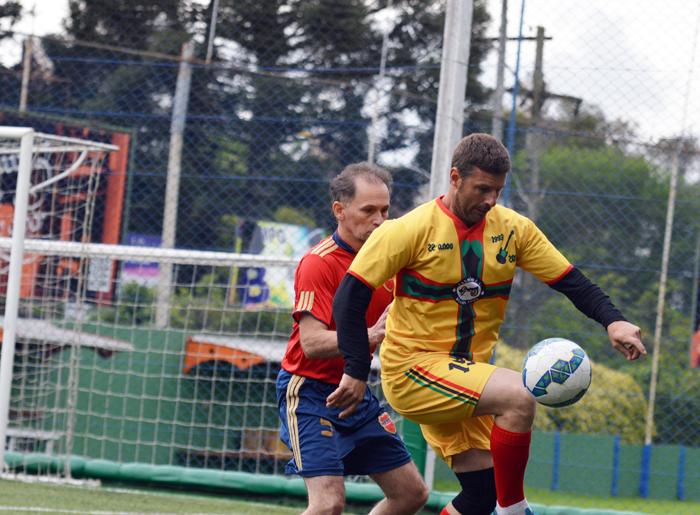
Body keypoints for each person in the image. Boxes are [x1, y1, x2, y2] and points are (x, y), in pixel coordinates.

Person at [327, 134, 646, 515]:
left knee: (480, 498)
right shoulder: (407, 230)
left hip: (467, 376)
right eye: (482, 188)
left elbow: (570, 280)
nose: (490, 199)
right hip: (414, 370)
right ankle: (515, 511)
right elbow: (350, 298)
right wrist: (357, 370)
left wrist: (615, 321)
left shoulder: (514, 229)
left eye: (497, 190)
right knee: (519, 395)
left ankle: (501, 506)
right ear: (455, 177)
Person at [276, 162, 429, 515]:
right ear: (340, 211)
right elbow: (312, 344)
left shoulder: (392, 258)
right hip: (311, 392)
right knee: (329, 504)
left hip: (357, 393)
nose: (379, 220)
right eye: (368, 210)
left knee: (411, 495)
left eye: (385, 211)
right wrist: (371, 335)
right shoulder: (319, 263)